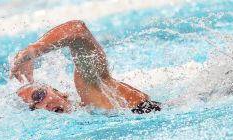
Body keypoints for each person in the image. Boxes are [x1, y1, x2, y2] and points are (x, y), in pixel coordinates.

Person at [10, 20, 161, 114]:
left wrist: (33, 50)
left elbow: (77, 29)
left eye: (38, 96)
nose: (41, 106)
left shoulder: (93, 93)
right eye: (32, 108)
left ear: (60, 93)